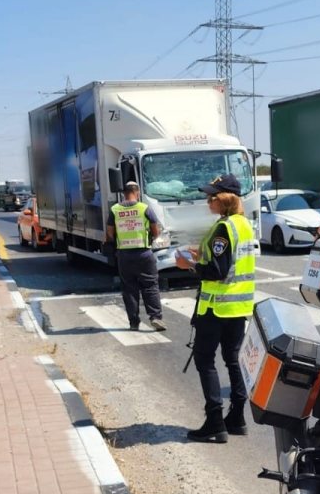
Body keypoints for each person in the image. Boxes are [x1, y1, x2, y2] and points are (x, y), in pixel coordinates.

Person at [176, 174, 256, 443]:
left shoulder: (223, 228)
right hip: (237, 307)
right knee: (233, 360)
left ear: (223, 200)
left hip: (216, 308)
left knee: (204, 360)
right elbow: (231, 262)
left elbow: (218, 272)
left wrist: (189, 265)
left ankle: (214, 421)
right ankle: (237, 417)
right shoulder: (243, 224)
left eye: (211, 197)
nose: (207, 201)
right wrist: (202, 253)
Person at [105, 181, 166, 332]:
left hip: (124, 254)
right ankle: (155, 317)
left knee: (129, 288)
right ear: (137, 192)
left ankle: (133, 322)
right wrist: (150, 239)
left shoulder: (115, 210)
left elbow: (110, 233)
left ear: (123, 193)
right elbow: (155, 229)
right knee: (150, 285)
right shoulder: (144, 208)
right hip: (144, 253)